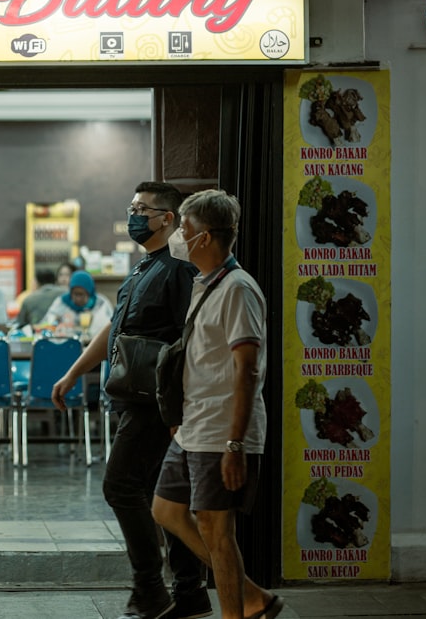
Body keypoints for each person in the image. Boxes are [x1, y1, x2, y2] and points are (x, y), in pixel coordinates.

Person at [51, 182, 207, 619]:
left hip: (157, 402)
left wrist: (182, 406)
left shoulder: (178, 269)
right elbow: (114, 332)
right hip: (134, 396)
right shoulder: (143, 269)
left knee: (120, 486)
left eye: (143, 208)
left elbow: (190, 340)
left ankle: (151, 590)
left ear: (168, 219)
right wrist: (74, 371)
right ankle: (191, 592)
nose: (135, 214)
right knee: (164, 497)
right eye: (132, 206)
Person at [149, 189, 282, 619]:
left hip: (221, 431)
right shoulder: (207, 283)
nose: (177, 236)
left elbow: (247, 371)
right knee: (166, 510)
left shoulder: (238, 290)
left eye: (183, 229)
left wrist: (235, 444)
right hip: (194, 427)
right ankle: (252, 596)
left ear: (204, 238)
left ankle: (237, 612)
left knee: (217, 532)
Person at [41, 270, 114, 342]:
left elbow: (109, 329)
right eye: (75, 294)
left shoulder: (100, 304)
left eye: (81, 294)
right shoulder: (61, 303)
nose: (78, 298)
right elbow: (47, 325)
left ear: (89, 293)